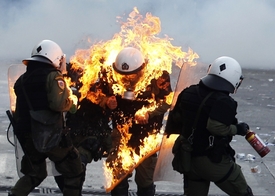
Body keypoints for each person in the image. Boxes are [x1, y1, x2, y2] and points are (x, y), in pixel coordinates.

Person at [166, 56, 254, 196]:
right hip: (211, 161)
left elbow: (176, 119)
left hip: (187, 158)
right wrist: (238, 129)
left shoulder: (189, 92)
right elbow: (216, 127)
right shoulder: (224, 101)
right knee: (243, 192)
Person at [9, 40, 84, 196]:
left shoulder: (22, 80)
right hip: (50, 135)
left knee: (34, 173)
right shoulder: (54, 76)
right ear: (55, 57)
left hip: (27, 136)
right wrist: (72, 102)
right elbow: (57, 103)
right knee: (74, 169)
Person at [107, 47, 172, 196]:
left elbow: (168, 101)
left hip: (147, 135)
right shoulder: (111, 73)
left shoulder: (158, 75)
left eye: (131, 75)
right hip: (121, 132)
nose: (127, 79)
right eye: (123, 75)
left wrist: (149, 113)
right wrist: (107, 101)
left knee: (145, 179)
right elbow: (98, 94)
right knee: (118, 176)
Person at [54, 63, 117, 192]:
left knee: (79, 164)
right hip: (70, 132)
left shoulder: (101, 86)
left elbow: (101, 99)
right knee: (62, 169)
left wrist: (108, 102)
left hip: (91, 135)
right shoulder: (64, 83)